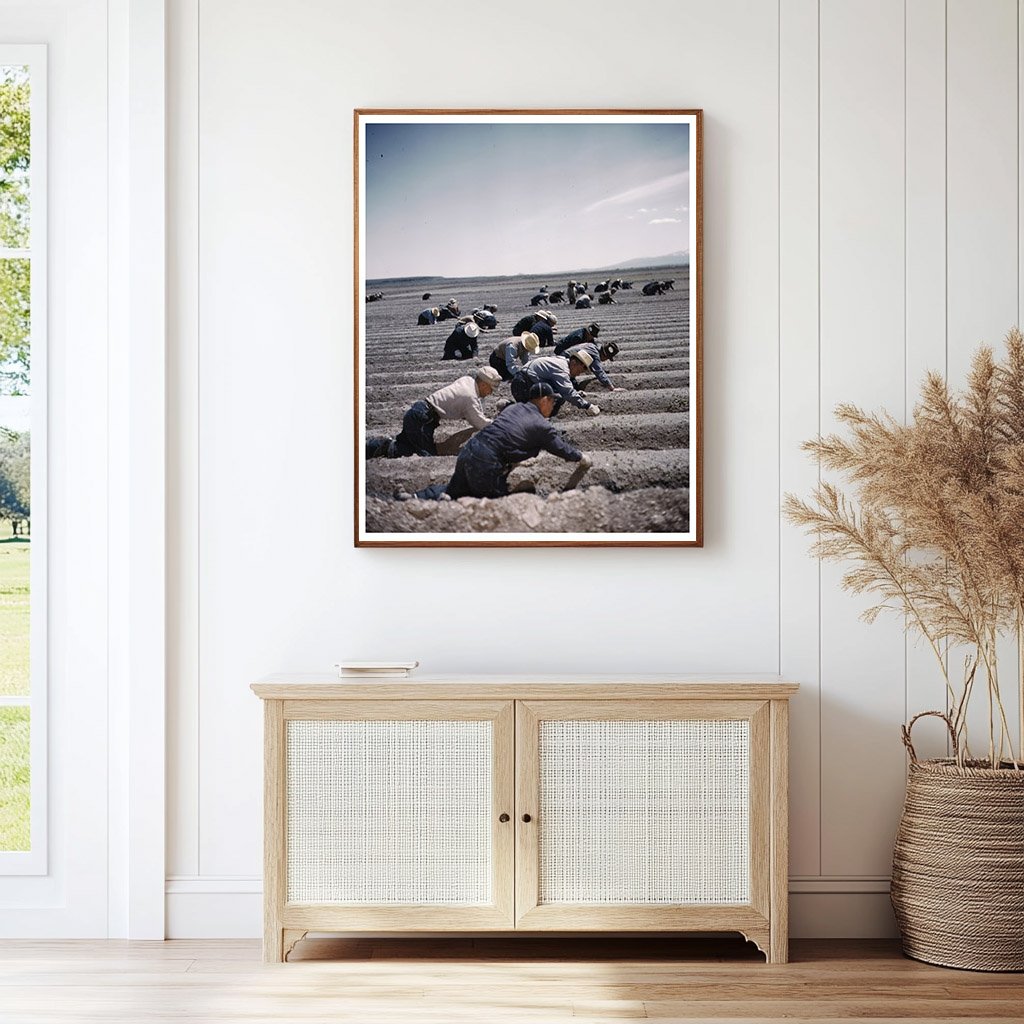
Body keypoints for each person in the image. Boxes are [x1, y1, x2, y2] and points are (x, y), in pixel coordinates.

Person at [413, 382, 590, 500]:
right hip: (486, 462)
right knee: (494, 502)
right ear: (544, 400)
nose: (553, 406)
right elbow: (559, 448)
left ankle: (416, 498)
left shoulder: (514, 408)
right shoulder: (541, 425)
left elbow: (509, 435)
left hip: (470, 450)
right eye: (552, 401)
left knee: (454, 491)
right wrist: (580, 457)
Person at [365, 366, 501, 459]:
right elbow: (479, 422)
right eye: (490, 390)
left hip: (420, 413)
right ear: (483, 385)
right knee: (426, 456)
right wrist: (499, 425)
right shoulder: (470, 397)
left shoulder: (468, 380)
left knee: (406, 446)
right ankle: (380, 446)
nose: (490, 393)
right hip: (423, 419)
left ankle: (372, 447)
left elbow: (473, 406)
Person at [510, 351, 600, 417]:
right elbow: (567, 393)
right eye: (579, 371)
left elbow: (558, 387)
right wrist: (588, 406)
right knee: (530, 415)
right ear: (573, 363)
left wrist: (576, 393)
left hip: (524, 382)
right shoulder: (562, 369)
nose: (578, 374)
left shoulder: (561, 361)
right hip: (522, 385)